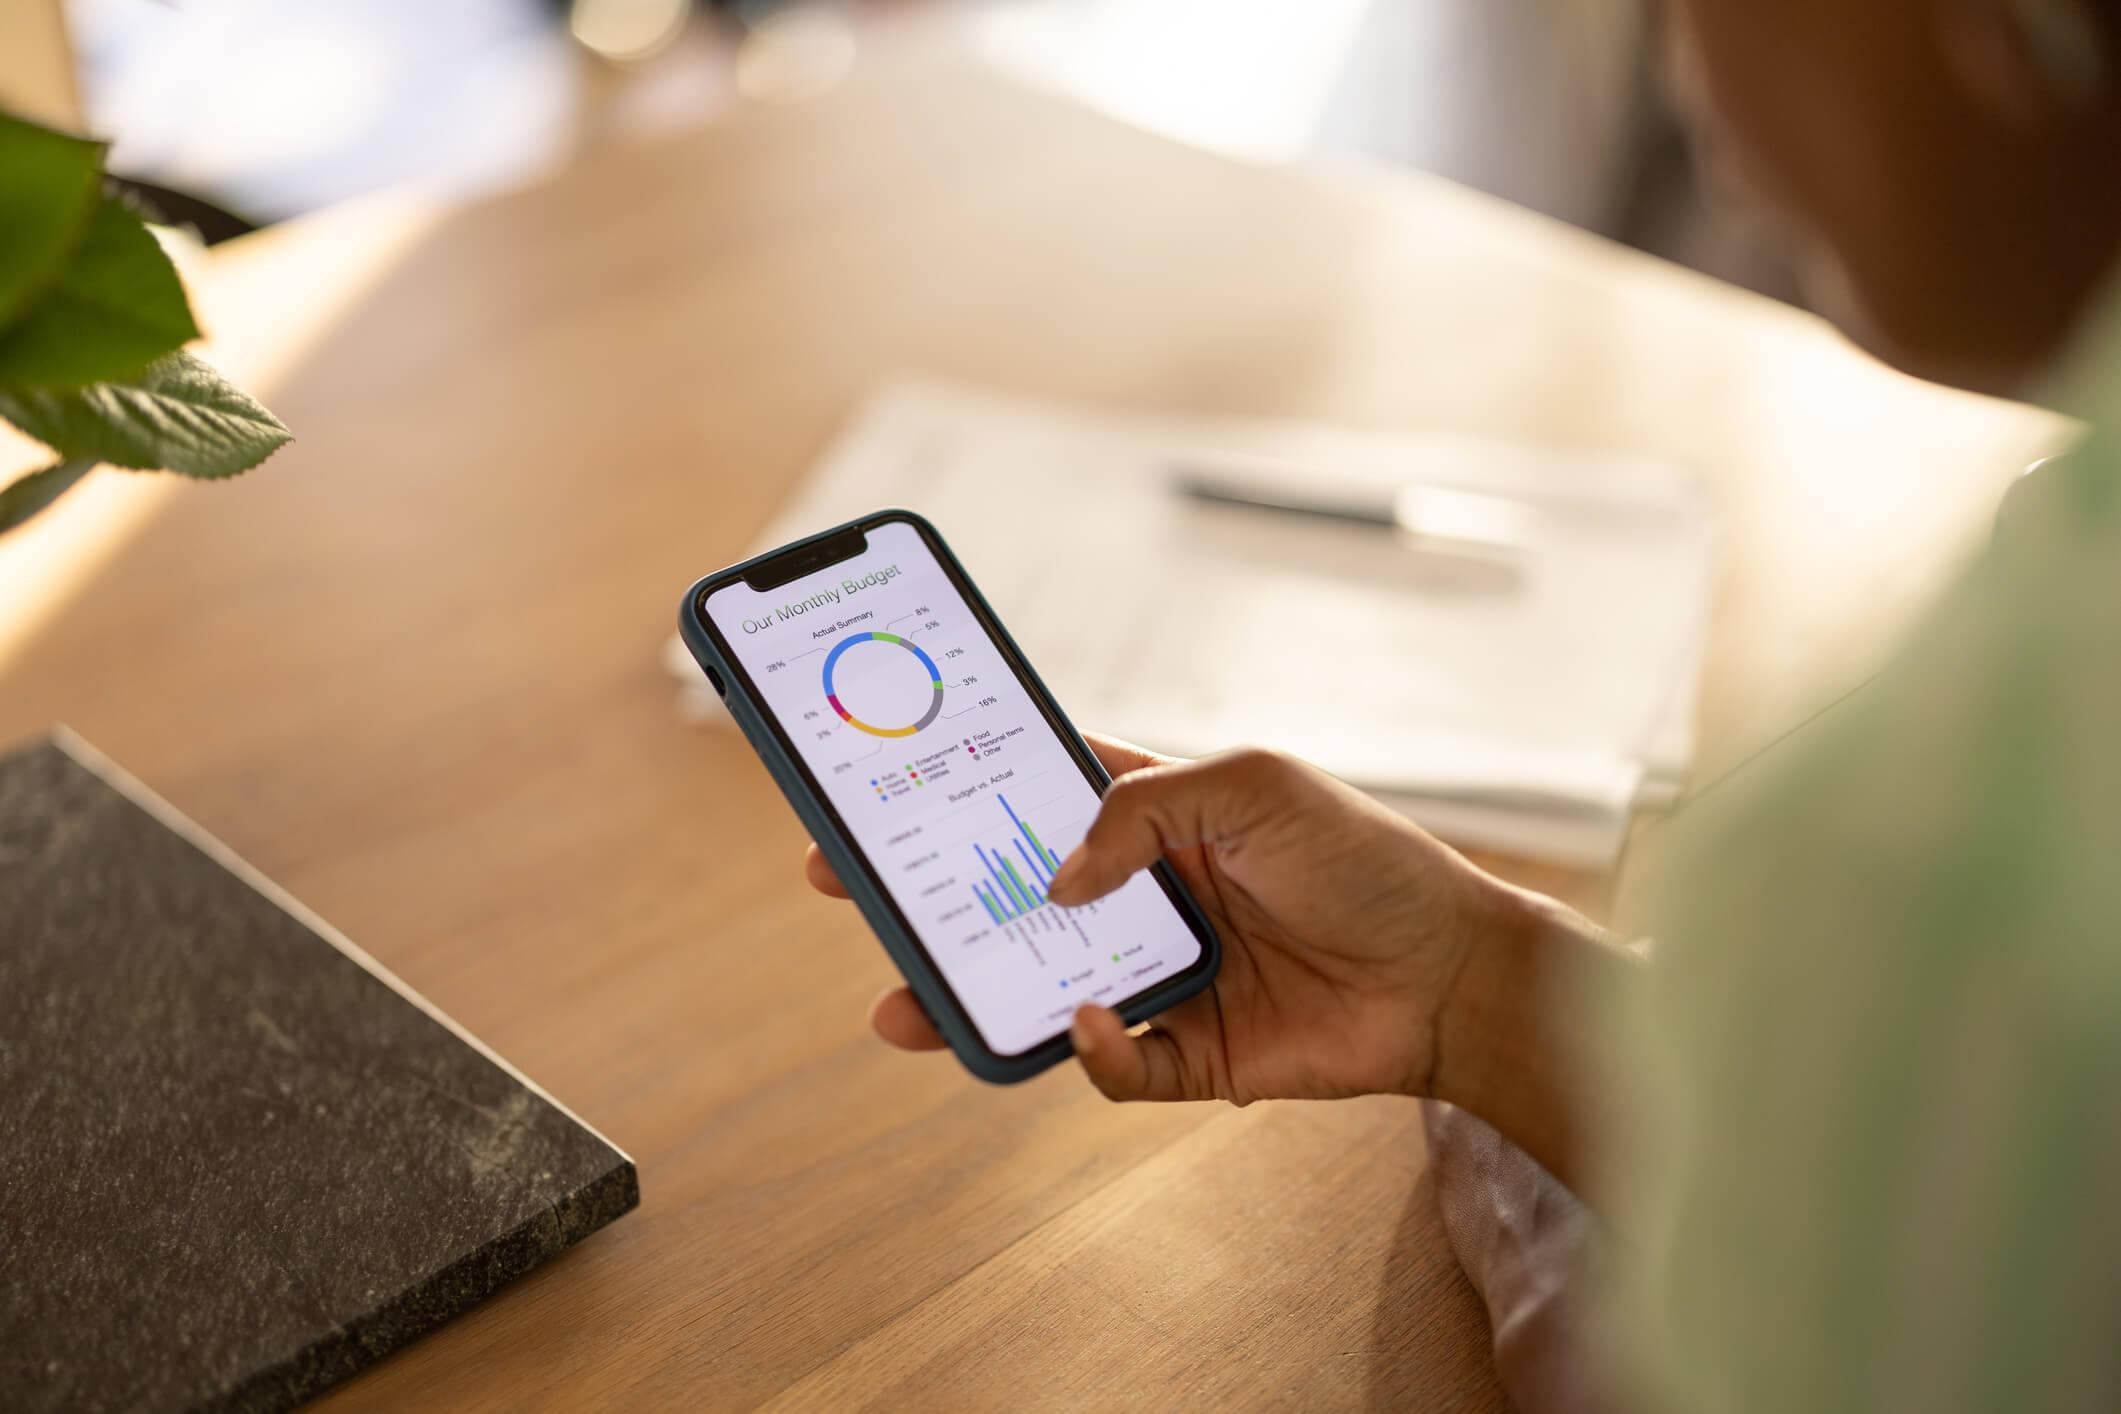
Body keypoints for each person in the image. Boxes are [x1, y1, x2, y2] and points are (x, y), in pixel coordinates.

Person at [805, 1, 2121, 1408]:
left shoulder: (1935, 859)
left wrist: (1577, 1287)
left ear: (2007, 33)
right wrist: (1460, 984)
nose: (1684, 55)